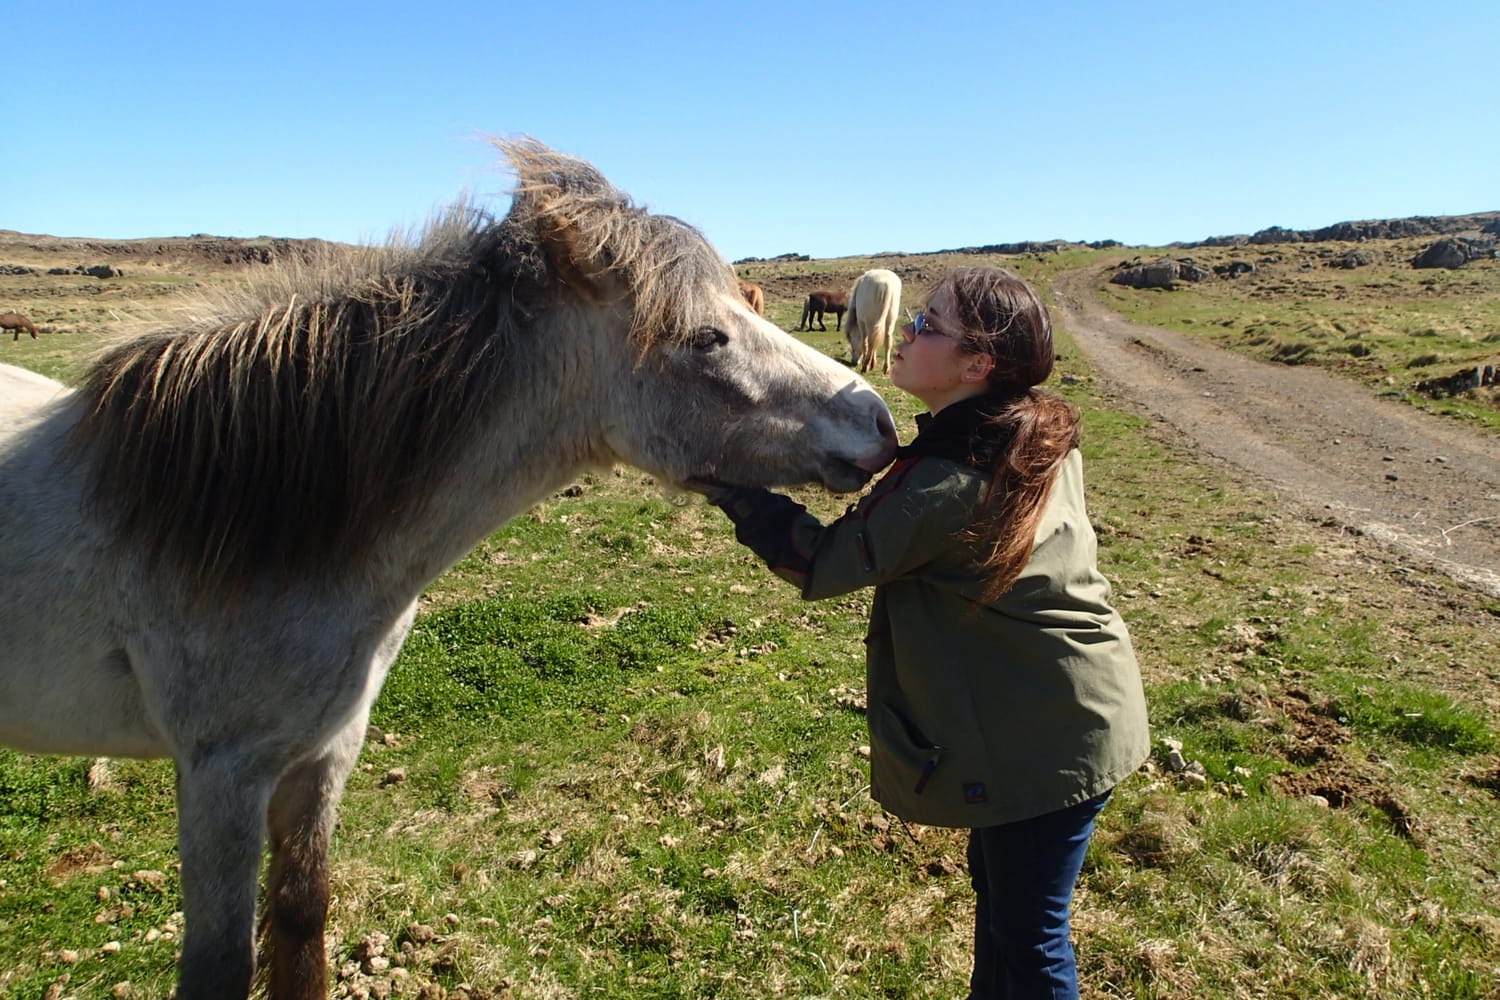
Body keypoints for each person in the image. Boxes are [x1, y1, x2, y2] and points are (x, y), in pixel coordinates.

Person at [692, 265, 1149, 999]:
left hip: (1051, 738)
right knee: (1007, 913)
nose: (903, 330)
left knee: (1030, 939)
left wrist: (723, 479)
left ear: (977, 365)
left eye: (925, 325)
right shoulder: (1023, 433)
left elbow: (819, 563)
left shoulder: (950, 480)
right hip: (1056, 712)